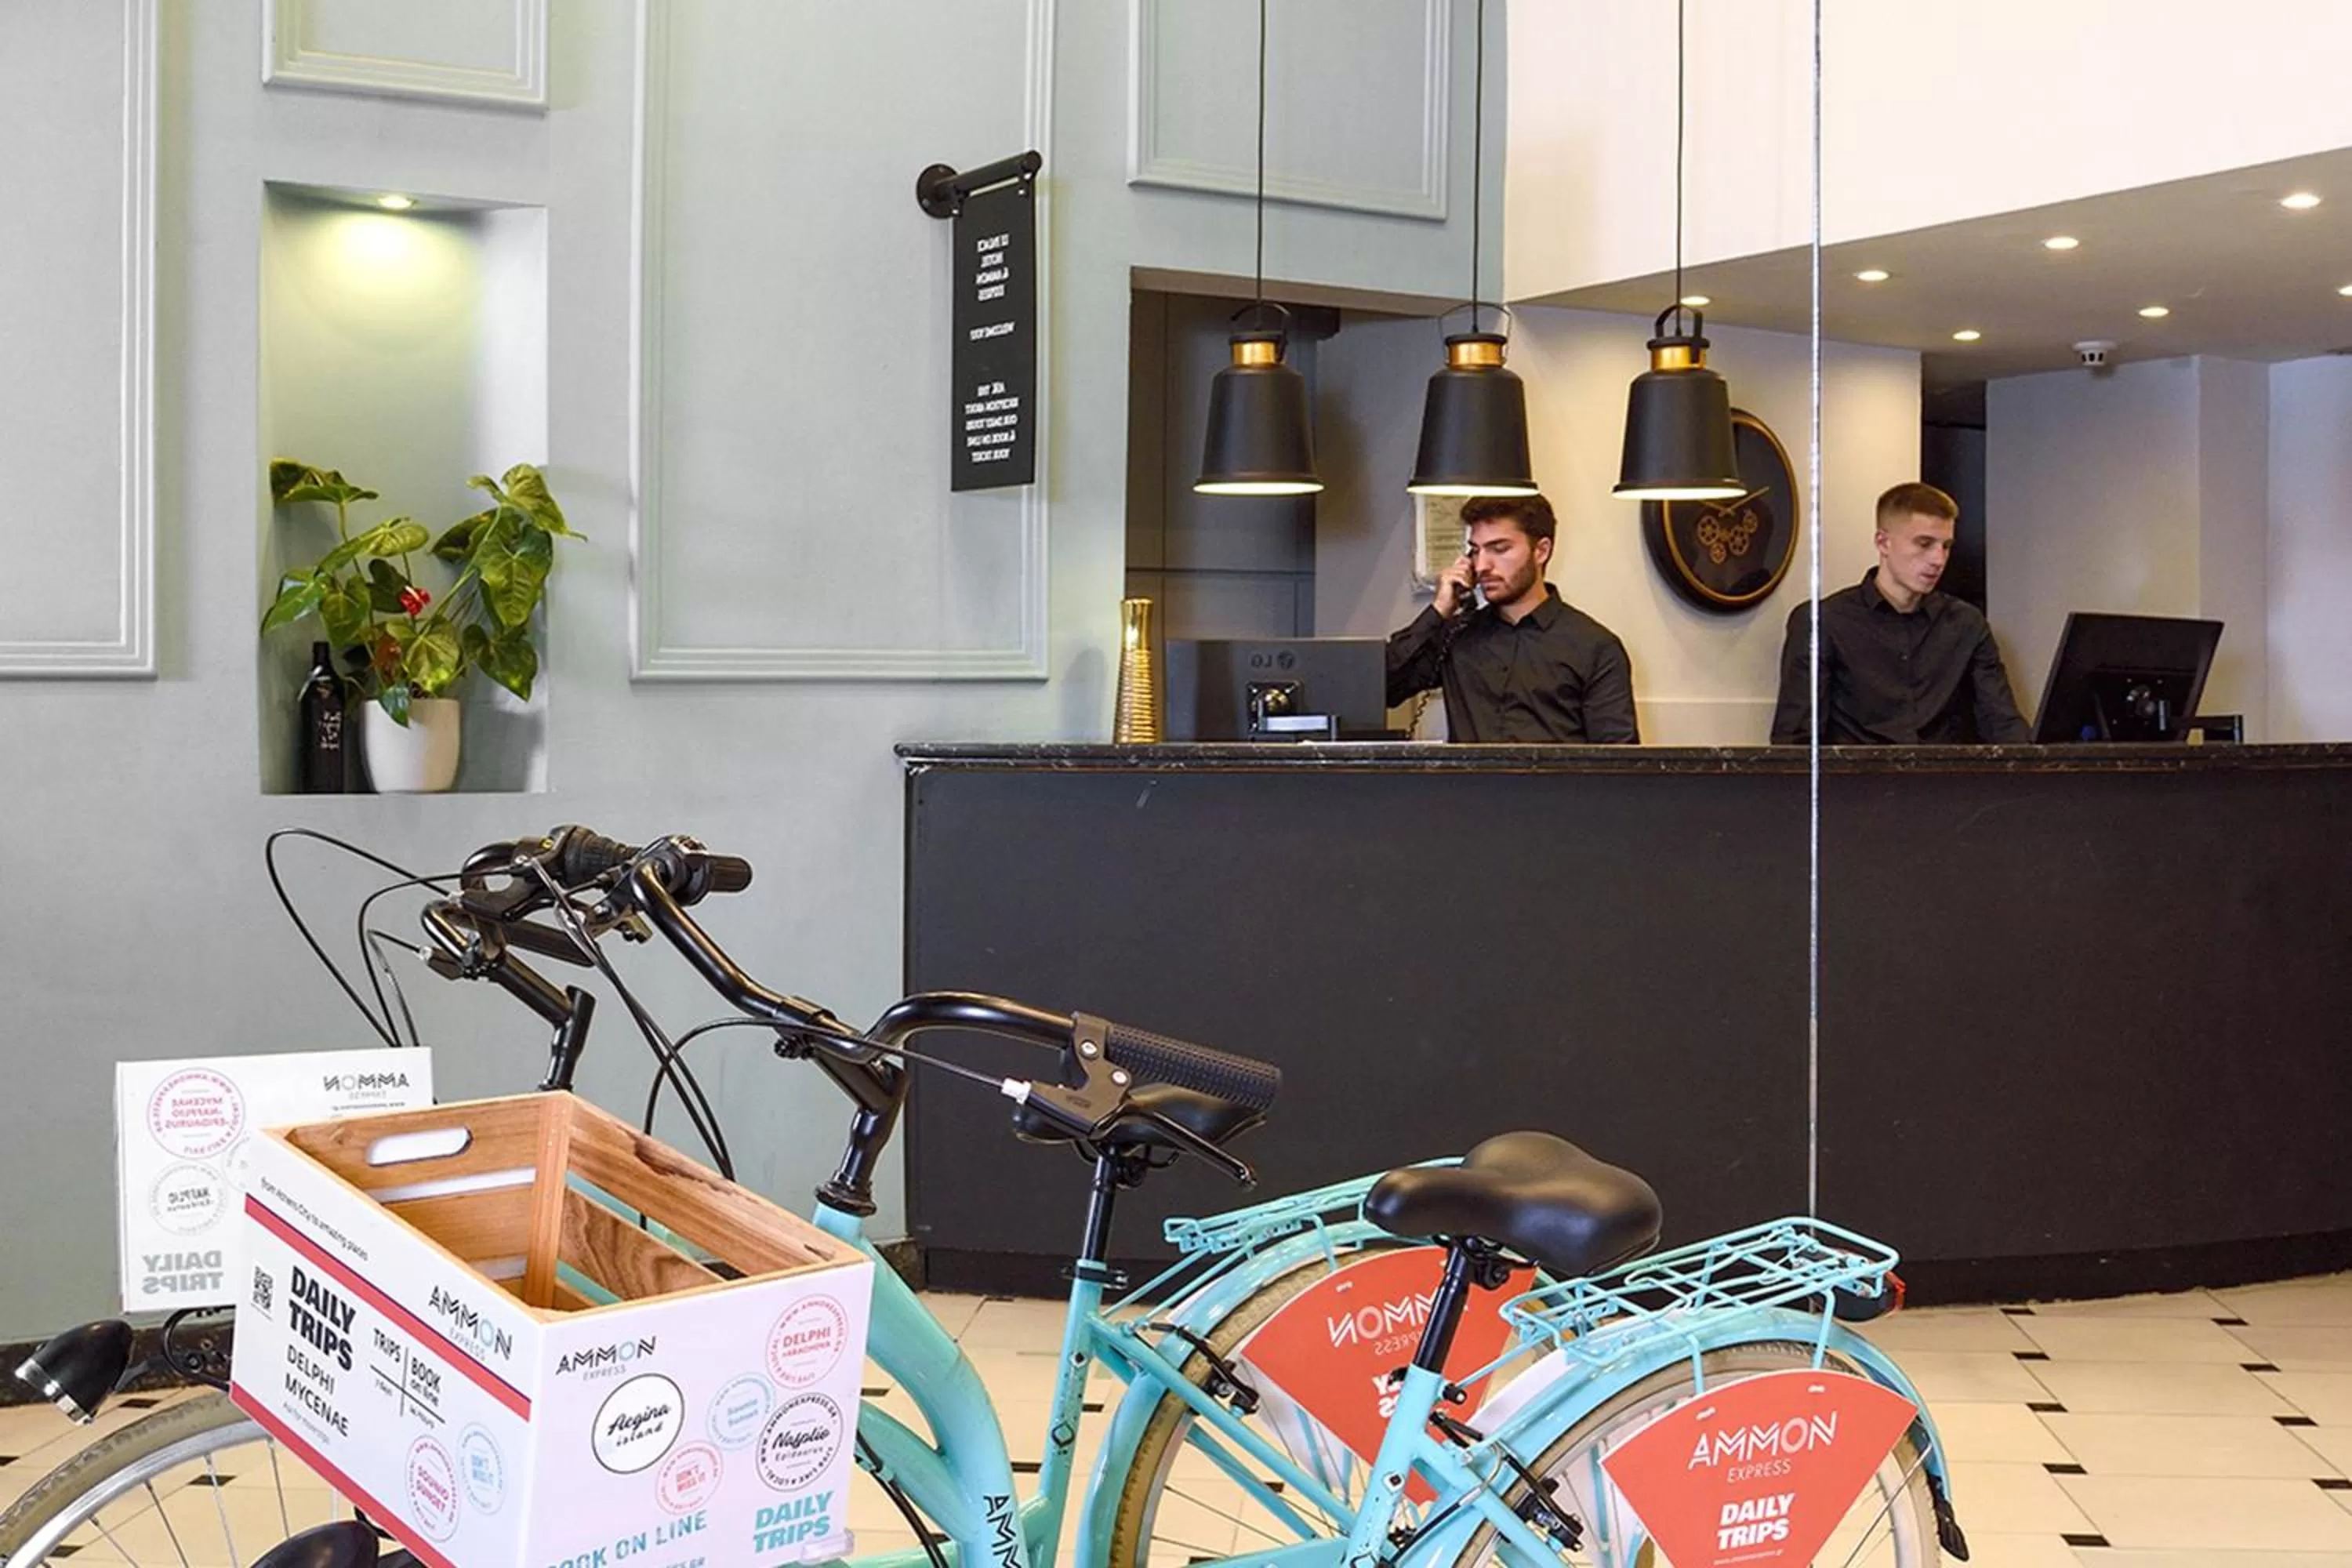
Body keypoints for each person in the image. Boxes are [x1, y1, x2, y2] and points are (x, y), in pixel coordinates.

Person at [1771, 481, 2029, 745]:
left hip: (1945, 780)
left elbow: (2002, 723)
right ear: (1883, 542)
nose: (1938, 560)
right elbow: (1795, 742)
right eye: (1924, 543)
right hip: (1855, 782)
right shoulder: (1823, 622)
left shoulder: (1966, 624)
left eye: (1946, 546)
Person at [1386, 494, 1640, 743]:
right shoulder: (1457, 634)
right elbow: (1383, 688)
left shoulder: (1595, 647)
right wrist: (1439, 610)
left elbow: (1618, 767)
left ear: (1541, 551)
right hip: (1468, 786)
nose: (1483, 565)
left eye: (1499, 549)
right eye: (1475, 551)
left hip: (1557, 786)